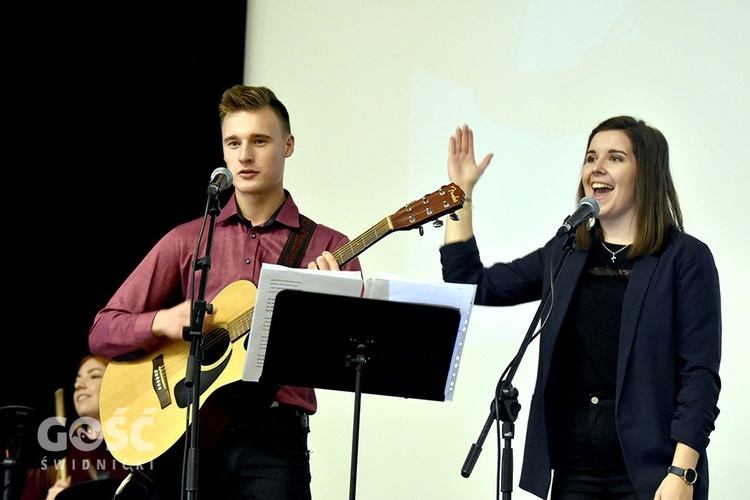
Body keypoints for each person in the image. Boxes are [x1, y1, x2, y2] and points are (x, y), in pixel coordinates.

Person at [88, 84, 361, 499]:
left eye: (260, 141)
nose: (244, 156)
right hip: (186, 438)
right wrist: (165, 320)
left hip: (274, 444)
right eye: (233, 143)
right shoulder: (188, 240)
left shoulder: (328, 249)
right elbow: (103, 331)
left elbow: (353, 358)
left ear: (288, 146)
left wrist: (329, 311)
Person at [439, 117, 721, 499]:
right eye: (591, 157)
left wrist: (682, 472)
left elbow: (699, 377)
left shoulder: (684, 259)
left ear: (646, 174)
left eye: (615, 158)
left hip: (651, 467)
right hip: (575, 467)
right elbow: (471, 283)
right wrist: (460, 194)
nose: (596, 168)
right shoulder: (567, 252)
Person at [21, 355, 137, 500]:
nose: (78, 385)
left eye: (94, 376)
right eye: (77, 379)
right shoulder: (54, 457)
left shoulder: (141, 452)